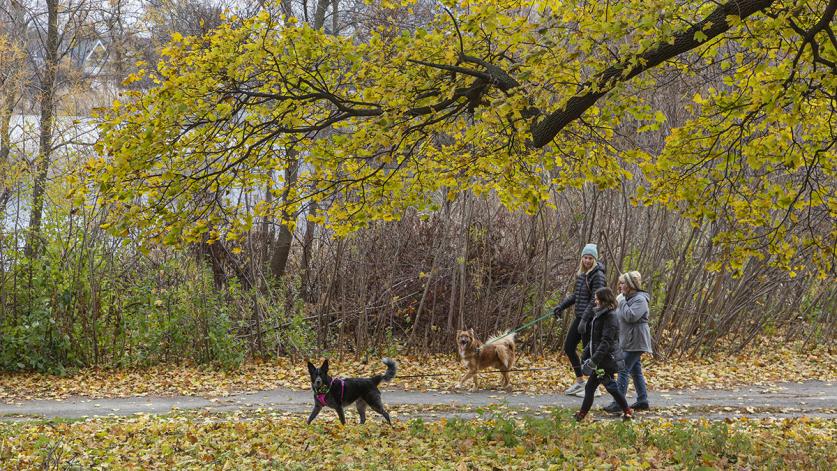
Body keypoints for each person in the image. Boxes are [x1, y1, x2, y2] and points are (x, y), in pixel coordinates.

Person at [553, 243, 606, 396]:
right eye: (585, 257)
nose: (587, 261)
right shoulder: (583, 274)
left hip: (592, 319)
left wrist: (584, 320)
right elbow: (577, 296)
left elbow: (595, 300)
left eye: (590, 258)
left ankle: (594, 388)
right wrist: (561, 306)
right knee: (569, 347)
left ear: (594, 259)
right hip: (580, 317)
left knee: (589, 354)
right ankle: (580, 382)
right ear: (582, 258)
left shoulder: (598, 275)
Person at [574, 287, 633, 421]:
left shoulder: (610, 316)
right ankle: (582, 414)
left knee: (607, 387)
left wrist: (594, 361)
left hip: (605, 361)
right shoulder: (600, 314)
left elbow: (605, 342)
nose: (595, 301)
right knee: (599, 387)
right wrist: (586, 353)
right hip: (601, 360)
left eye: (596, 298)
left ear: (603, 300)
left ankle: (582, 415)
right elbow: (595, 339)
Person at [604, 271, 652, 413]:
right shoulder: (624, 298)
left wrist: (622, 301)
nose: (620, 286)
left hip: (637, 339)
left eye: (623, 283)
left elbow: (631, 316)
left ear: (631, 285)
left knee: (623, 369)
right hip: (628, 339)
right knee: (635, 370)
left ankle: (618, 402)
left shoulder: (640, 300)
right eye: (620, 283)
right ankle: (643, 400)